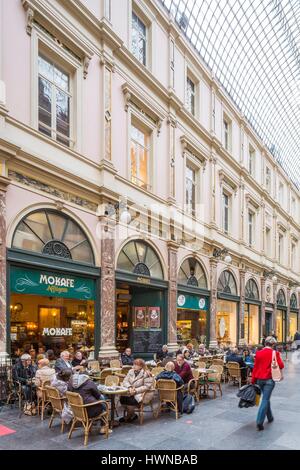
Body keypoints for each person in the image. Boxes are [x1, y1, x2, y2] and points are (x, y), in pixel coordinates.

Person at [251, 336, 284, 431]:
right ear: (273, 344)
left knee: (266, 397)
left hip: (259, 380)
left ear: (265, 343)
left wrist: (253, 380)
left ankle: (270, 417)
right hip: (269, 380)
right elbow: (281, 365)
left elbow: (255, 368)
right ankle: (259, 422)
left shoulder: (258, 353)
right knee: (265, 399)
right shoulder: (275, 353)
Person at [119, 358, 154, 422]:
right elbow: (125, 381)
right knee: (122, 398)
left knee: (130, 401)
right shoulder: (131, 371)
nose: (133, 366)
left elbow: (147, 386)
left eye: (136, 365)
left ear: (141, 366)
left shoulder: (146, 374)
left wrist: (136, 390)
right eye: (133, 364)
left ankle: (129, 416)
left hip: (140, 393)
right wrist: (129, 387)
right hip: (130, 391)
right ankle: (132, 414)